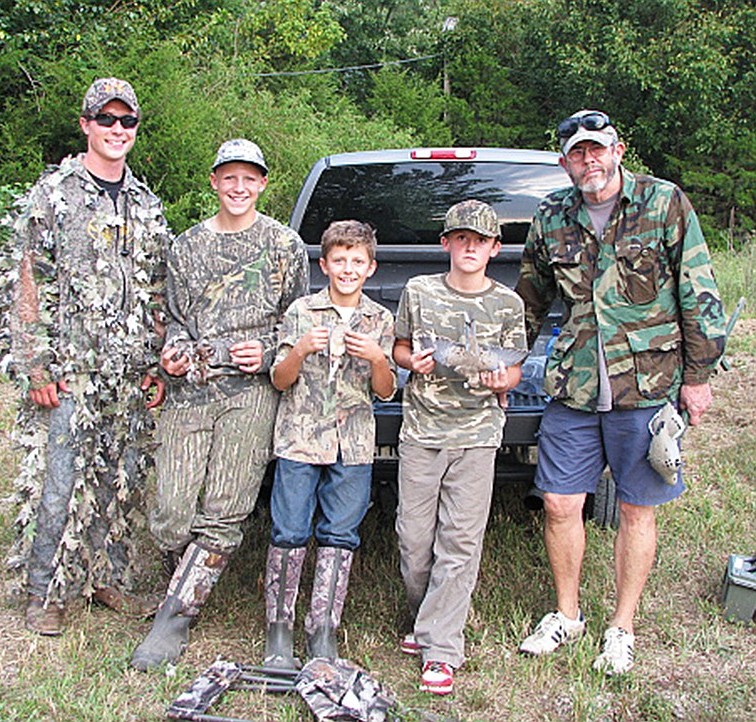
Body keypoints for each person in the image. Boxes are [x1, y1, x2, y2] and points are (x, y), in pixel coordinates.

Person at [515, 109, 727, 674]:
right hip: (574, 386)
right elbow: (530, 299)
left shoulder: (664, 203)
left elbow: (699, 288)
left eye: (597, 149)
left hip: (649, 387)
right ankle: (567, 615)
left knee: (636, 509)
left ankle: (621, 626)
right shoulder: (551, 215)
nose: (589, 160)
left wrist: (699, 377)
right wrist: (508, 361)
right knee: (561, 503)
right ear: (564, 161)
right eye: (578, 153)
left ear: (619, 149)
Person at [0, 77, 171, 636]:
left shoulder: (145, 203)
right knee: (59, 479)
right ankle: (44, 590)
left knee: (119, 474)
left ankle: (106, 577)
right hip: (71, 369)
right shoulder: (55, 194)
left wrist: (153, 361)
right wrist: (37, 365)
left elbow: (156, 289)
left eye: (127, 122)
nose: (117, 130)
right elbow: (26, 280)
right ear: (86, 125)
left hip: (127, 371)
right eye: (107, 120)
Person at [131, 138, 309, 671]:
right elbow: (173, 320)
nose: (238, 187)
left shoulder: (284, 244)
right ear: (214, 182)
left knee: (224, 511)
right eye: (228, 177)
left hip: (250, 394)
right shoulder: (186, 247)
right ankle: (185, 575)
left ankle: (175, 619)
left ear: (262, 184)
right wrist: (174, 357)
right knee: (169, 514)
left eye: (249, 178)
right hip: (192, 392)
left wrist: (272, 348)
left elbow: (298, 317)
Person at [393, 200, 527, 695]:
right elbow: (400, 345)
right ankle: (426, 617)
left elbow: (513, 368)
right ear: (446, 243)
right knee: (413, 539)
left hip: (476, 435)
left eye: (481, 240)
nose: (470, 247)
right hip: (422, 433)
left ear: (495, 249)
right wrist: (414, 364)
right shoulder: (418, 291)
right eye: (461, 238)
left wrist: (500, 379)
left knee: (461, 541)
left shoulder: (508, 304)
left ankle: (441, 648)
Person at [263, 220, 396, 669]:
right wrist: (299, 350)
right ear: (324, 265)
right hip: (300, 441)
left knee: (340, 534)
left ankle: (322, 629)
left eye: (357, 261)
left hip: (353, 445)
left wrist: (378, 357)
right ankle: (278, 631)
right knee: (289, 531)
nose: (347, 269)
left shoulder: (379, 319)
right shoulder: (302, 311)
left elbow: (384, 391)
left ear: (371, 267)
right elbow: (280, 380)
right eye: (339, 260)